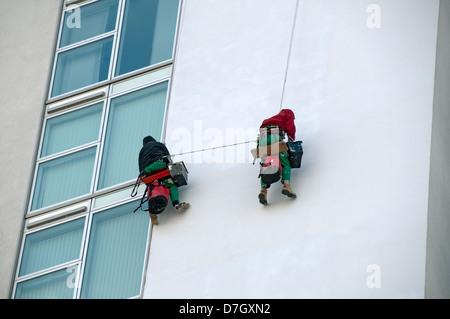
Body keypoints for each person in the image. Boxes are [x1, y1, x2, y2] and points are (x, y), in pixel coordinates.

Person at [139, 135, 189, 224]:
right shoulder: (158, 144)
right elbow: (167, 155)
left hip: (149, 173)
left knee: (153, 187)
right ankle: (176, 203)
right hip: (159, 166)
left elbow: (140, 164)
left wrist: (144, 173)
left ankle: (152, 212)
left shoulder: (142, 151)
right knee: (172, 184)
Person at [258, 109, 297, 205]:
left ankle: (263, 190)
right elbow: (290, 128)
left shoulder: (267, 120)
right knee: (285, 163)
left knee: (266, 163)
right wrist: (291, 139)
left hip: (262, 137)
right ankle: (286, 186)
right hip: (274, 134)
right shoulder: (288, 113)